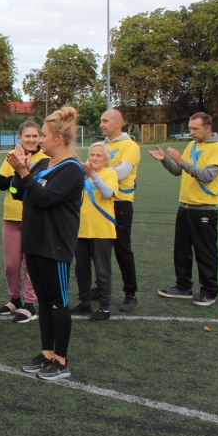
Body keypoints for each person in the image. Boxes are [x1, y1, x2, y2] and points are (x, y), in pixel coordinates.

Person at [8, 107, 85, 381]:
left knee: (58, 302)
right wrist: (18, 173)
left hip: (56, 245)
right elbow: (17, 194)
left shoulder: (73, 169)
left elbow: (45, 198)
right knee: (43, 301)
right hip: (35, 242)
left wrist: (25, 175)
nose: (40, 140)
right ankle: (46, 353)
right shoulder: (41, 165)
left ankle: (61, 360)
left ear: (59, 139)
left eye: (44, 135)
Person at [151, 112, 218, 307]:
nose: (191, 132)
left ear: (208, 128)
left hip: (205, 208)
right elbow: (178, 170)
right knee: (182, 250)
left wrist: (182, 162)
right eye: (190, 128)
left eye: (195, 129)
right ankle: (183, 287)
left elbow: (208, 175)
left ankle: (209, 291)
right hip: (185, 205)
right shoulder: (192, 145)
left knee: (205, 251)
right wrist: (164, 160)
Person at [0, 120, 46, 323]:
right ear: (20, 138)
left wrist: (25, 175)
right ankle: (14, 299)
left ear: (40, 137)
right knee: (12, 264)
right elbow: (2, 184)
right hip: (12, 217)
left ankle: (30, 304)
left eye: (35, 136)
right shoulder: (11, 157)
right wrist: (18, 173)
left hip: (35, 217)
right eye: (28, 136)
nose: (32, 140)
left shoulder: (46, 157)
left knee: (31, 264)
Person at [68, 142, 118, 321]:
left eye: (99, 156)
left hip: (102, 231)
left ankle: (105, 307)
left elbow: (107, 193)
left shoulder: (110, 174)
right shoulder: (81, 176)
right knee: (81, 269)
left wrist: (94, 176)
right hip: (81, 230)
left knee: (102, 271)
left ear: (106, 160)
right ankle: (84, 301)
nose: (94, 158)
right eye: (92, 155)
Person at [100, 109, 141, 311]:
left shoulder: (130, 146)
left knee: (122, 248)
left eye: (105, 120)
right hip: (100, 202)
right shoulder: (102, 146)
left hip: (121, 202)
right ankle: (100, 288)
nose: (101, 124)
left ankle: (130, 293)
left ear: (119, 123)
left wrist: (100, 172)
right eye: (101, 120)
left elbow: (121, 173)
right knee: (99, 248)